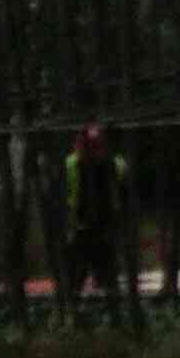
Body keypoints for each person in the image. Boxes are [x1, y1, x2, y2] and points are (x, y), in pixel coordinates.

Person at [63, 122, 130, 319]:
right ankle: (74, 311)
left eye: (96, 145)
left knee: (106, 272)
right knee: (78, 272)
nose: (92, 150)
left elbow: (122, 194)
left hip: (104, 226)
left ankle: (112, 313)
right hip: (80, 226)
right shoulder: (71, 165)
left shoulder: (115, 164)